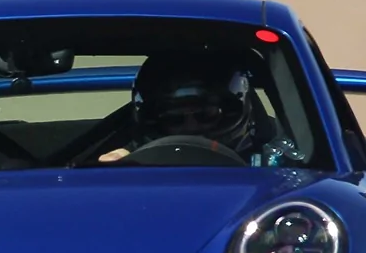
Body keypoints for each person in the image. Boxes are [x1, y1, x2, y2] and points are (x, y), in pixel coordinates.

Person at [89, 49, 295, 166]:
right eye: (174, 118)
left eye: (206, 114)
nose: (191, 127)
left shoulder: (275, 160)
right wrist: (112, 172)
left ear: (232, 112)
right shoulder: (127, 163)